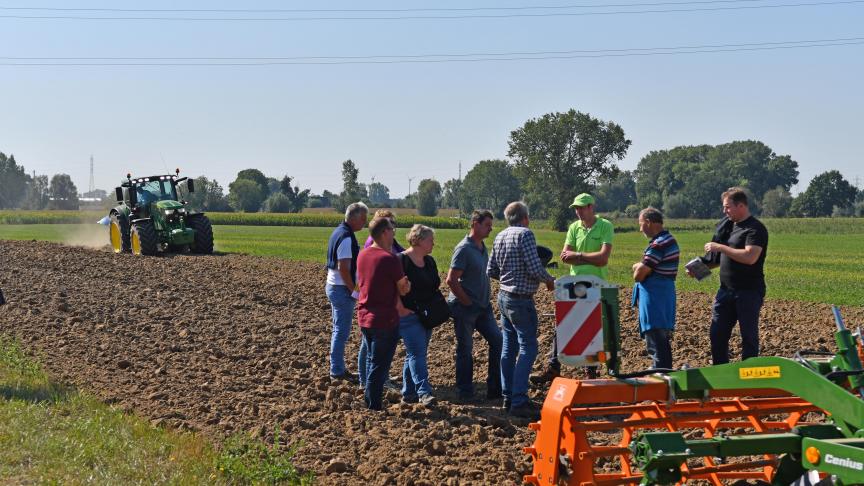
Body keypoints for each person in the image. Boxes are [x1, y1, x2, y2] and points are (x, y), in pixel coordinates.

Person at [534, 193, 613, 384]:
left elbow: (603, 259)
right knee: (562, 325)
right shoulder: (573, 228)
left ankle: (591, 371)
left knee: (592, 328)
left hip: (595, 285)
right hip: (573, 284)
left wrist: (578, 255)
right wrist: (585, 256)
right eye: (576, 208)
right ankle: (554, 367)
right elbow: (564, 256)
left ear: (591, 207)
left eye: (581, 208)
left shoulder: (605, 226)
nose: (578, 212)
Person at [488, 201, 555, 419]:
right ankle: (519, 399)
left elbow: (491, 269)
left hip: (503, 297)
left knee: (509, 348)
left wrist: (509, 279)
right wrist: (549, 280)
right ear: (525, 218)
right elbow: (535, 267)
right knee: (528, 348)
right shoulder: (525, 235)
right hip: (520, 300)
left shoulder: (500, 236)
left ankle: (508, 396)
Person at [689, 187, 768, 365]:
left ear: (741, 206)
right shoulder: (728, 226)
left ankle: (749, 377)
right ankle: (721, 374)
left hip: (748, 292)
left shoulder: (755, 229)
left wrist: (720, 247)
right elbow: (718, 260)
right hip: (725, 291)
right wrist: (698, 269)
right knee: (717, 334)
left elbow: (750, 257)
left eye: (727, 207)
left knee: (748, 336)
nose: (724, 211)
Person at [446, 209, 503, 402]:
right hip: (466, 308)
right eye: (487, 225)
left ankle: (494, 389)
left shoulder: (482, 246)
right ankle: (465, 392)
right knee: (465, 349)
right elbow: (451, 280)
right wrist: (466, 302)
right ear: (475, 224)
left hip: (483, 307)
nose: (490, 228)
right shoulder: (463, 249)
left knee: (498, 341)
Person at [357, 216, 411, 410]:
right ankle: (373, 404)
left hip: (365, 316)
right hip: (385, 319)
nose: (393, 232)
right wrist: (406, 285)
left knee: (372, 360)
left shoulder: (363, 255)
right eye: (391, 229)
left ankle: (369, 399)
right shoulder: (390, 259)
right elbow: (403, 289)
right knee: (380, 365)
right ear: (384, 232)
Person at [397, 224, 441, 406]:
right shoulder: (401, 261)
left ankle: (408, 393)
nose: (433, 244)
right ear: (419, 240)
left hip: (427, 315)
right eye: (431, 240)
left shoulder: (429, 262)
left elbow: (435, 284)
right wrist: (400, 308)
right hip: (409, 315)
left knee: (415, 354)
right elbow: (394, 288)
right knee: (417, 353)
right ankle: (424, 392)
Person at [631, 207, 679, 370]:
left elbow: (639, 274)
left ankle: (660, 371)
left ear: (649, 222)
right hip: (662, 294)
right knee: (660, 336)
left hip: (655, 296)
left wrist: (638, 266)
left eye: (640, 224)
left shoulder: (659, 244)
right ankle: (662, 369)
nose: (640, 229)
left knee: (655, 334)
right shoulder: (668, 239)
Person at [324, 202, 368, 381]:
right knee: (341, 331)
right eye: (363, 219)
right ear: (355, 218)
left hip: (334, 286)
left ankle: (338, 368)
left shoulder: (339, 231)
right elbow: (344, 267)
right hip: (341, 288)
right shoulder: (346, 237)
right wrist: (354, 291)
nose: (364, 223)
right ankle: (337, 371)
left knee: (338, 330)